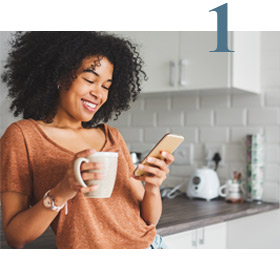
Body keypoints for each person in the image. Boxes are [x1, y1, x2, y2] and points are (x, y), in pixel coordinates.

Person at [0, 31, 173, 249]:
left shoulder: (112, 136)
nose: (98, 94)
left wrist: (152, 187)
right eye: (90, 79)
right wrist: (63, 190)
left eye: (106, 86)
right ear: (59, 77)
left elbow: (149, 220)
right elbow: (16, 237)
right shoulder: (22, 137)